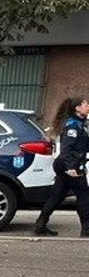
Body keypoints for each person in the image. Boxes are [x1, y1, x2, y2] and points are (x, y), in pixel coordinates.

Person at [32, 95, 89, 237]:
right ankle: (86, 229)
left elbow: (82, 146)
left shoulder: (80, 123)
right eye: (86, 104)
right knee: (84, 197)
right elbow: (67, 149)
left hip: (66, 164)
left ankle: (40, 225)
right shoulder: (73, 126)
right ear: (77, 108)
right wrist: (71, 168)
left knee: (57, 196)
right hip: (69, 165)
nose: (88, 107)